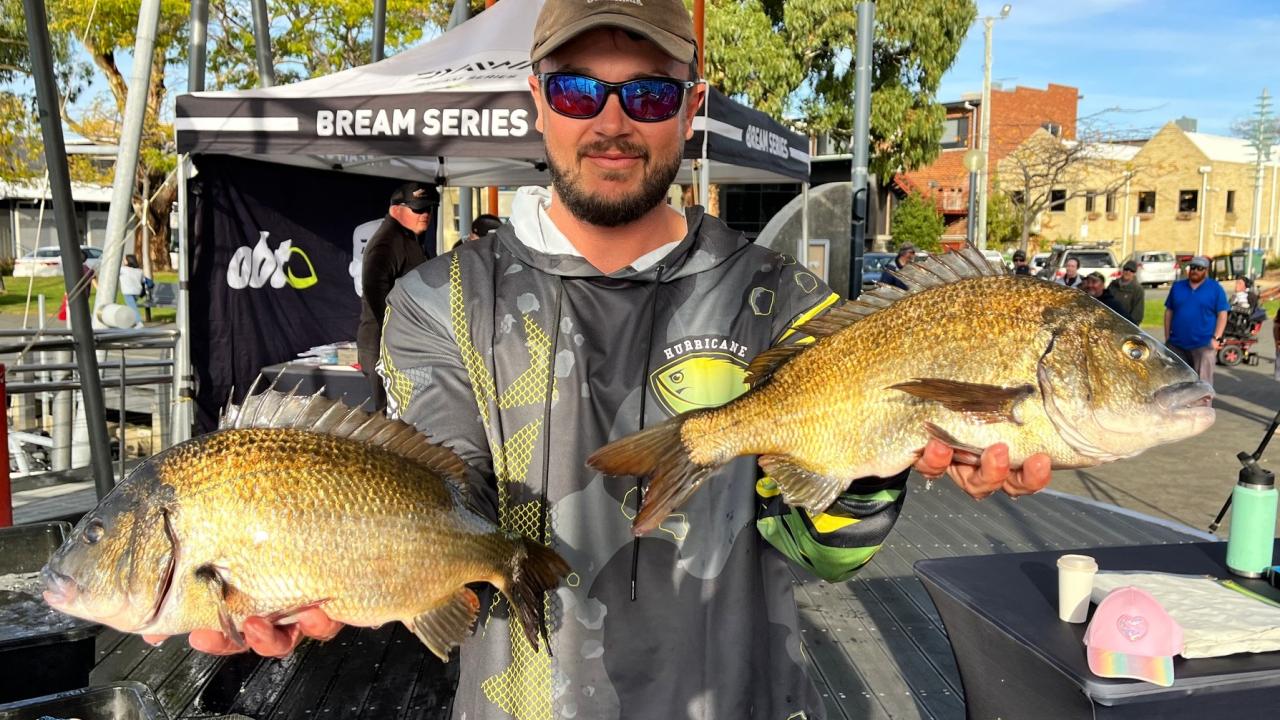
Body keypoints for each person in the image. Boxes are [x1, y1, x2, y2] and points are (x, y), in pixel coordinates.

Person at [168, 2, 1052, 717]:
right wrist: (311, 557)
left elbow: (825, 554)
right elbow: (450, 497)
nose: (614, 121)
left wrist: (889, 453)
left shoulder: (787, 301)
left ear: (692, 106)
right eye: (578, 90)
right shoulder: (437, 301)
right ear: (537, 99)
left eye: (651, 95)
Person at [356, 181, 439, 411]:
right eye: (418, 209)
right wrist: (399, 332)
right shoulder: (386, 243)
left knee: (409, 413)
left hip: (403, 344)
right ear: (396, 210)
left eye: (428, 208)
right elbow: (374, 288)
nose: (425, 214)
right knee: (392, 417)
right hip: (386, 346)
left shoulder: (410, 239)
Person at [1164, 256, 1228, 387]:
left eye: (1199, 268)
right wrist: (1167, 337)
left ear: (1206, 270)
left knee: (1202, 385)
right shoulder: (1177, 287)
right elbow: (1169, 311)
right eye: (1193, 267)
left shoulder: (1215, 288)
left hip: (1203, 345)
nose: (1195, 271)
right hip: (1177, 344)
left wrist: (1216, 338)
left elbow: (1222, 314)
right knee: (1176, 383)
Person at [1107, 260, 1146, 326]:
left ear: (1134, 273)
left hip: (1126, 325)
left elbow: (1138, 312)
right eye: (1126, 269)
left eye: (1131, 270)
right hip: (1109, 321)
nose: (1128, 272)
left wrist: (1130, 326)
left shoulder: (1138, 289)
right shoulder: (1113, 284)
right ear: (1123, 270)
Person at [118, 254, 148, 328]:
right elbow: (143, 281)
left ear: (128, 261)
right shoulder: (139, 271)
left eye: (125, 259)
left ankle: (139, 322)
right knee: (130, 307)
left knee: (132, 307)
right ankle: (129, 322)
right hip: (137, 292)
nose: (123, 261)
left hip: (128, 292)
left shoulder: (123, 270)